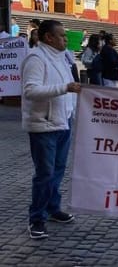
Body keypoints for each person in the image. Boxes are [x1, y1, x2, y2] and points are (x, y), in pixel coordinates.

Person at [21, 19, 81, 239]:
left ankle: (53, 208)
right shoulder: (36, 58)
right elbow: (31, 91)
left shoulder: (62, 57)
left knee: (57, 170)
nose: (66, 39)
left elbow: (67, 89)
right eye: (62, 36)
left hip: (62, 122)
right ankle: (36, 219)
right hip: (44, 126)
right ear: (49, 37)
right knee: (45, 175)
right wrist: (65, 87)